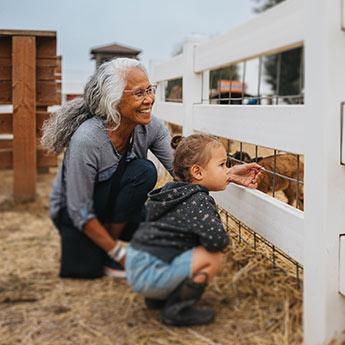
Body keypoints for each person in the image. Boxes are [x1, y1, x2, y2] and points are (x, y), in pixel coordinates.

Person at [41, 58, 174, 279]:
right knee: (143, 170)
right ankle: (110, 251)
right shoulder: (87, 139)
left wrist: (227, 173)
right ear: (113, 102)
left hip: (115, 205)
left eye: (150, 90)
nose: (149, 99)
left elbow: (181, 167)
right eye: (139, 93)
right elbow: (78, 210)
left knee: (160, 235)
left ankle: (111, 242)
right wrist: (117, 252)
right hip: (76, 211)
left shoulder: (151, 126)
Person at [125, 134, 262, 326]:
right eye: (222, 165)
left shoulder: (172, 191)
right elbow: (217, 241)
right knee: (212, 256)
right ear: (197, 172)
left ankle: (157, 298)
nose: (226, 170)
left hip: (135, 266)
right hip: (151, 275)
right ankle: (176, 310)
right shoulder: (199, 201)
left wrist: (228, 174)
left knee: (183, 246)